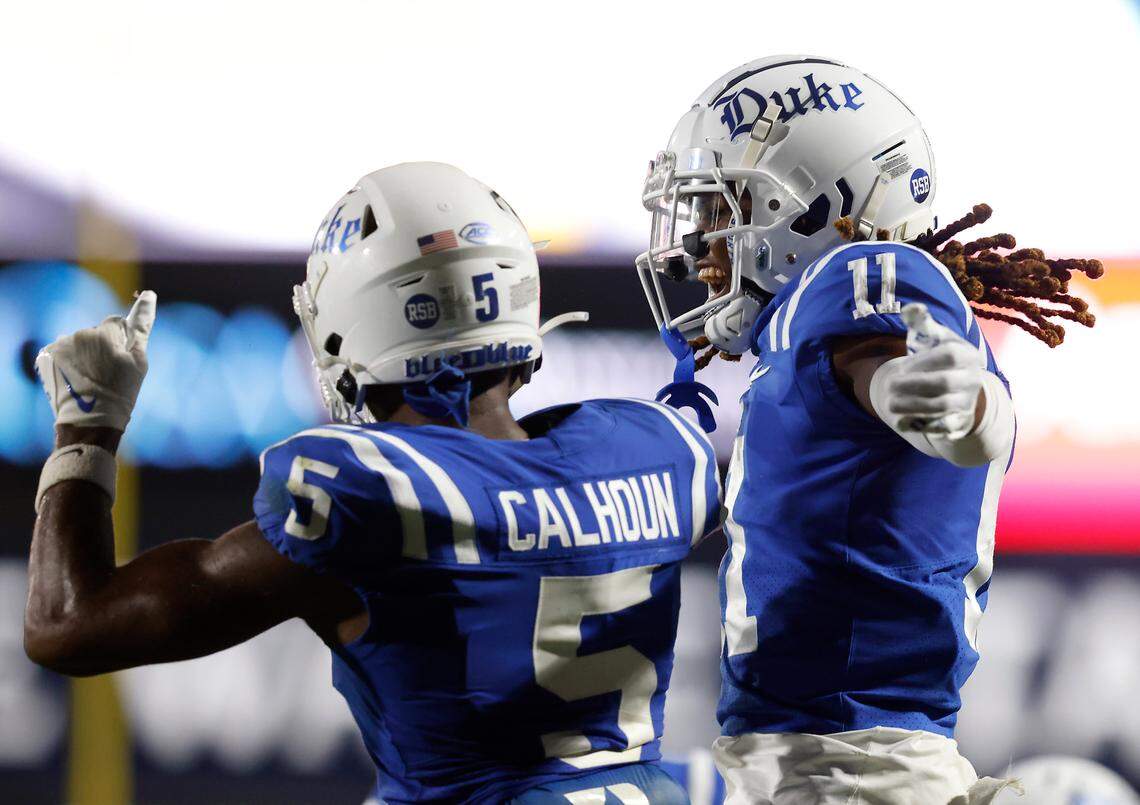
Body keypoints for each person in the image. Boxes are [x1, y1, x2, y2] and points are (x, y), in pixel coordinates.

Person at [25, 162, 722, 804]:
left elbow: (66, 627)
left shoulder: (367, 499)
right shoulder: (661, 451)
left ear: (358, 322)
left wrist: (86, 428)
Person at [633, 56, 1102, 804]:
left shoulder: (866, 274)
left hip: (843, 769)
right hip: (827, 759)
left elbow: (914, 384)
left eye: (723, 210)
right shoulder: (809, 317)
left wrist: (944, 401)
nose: (700, 248)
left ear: (813, 204)